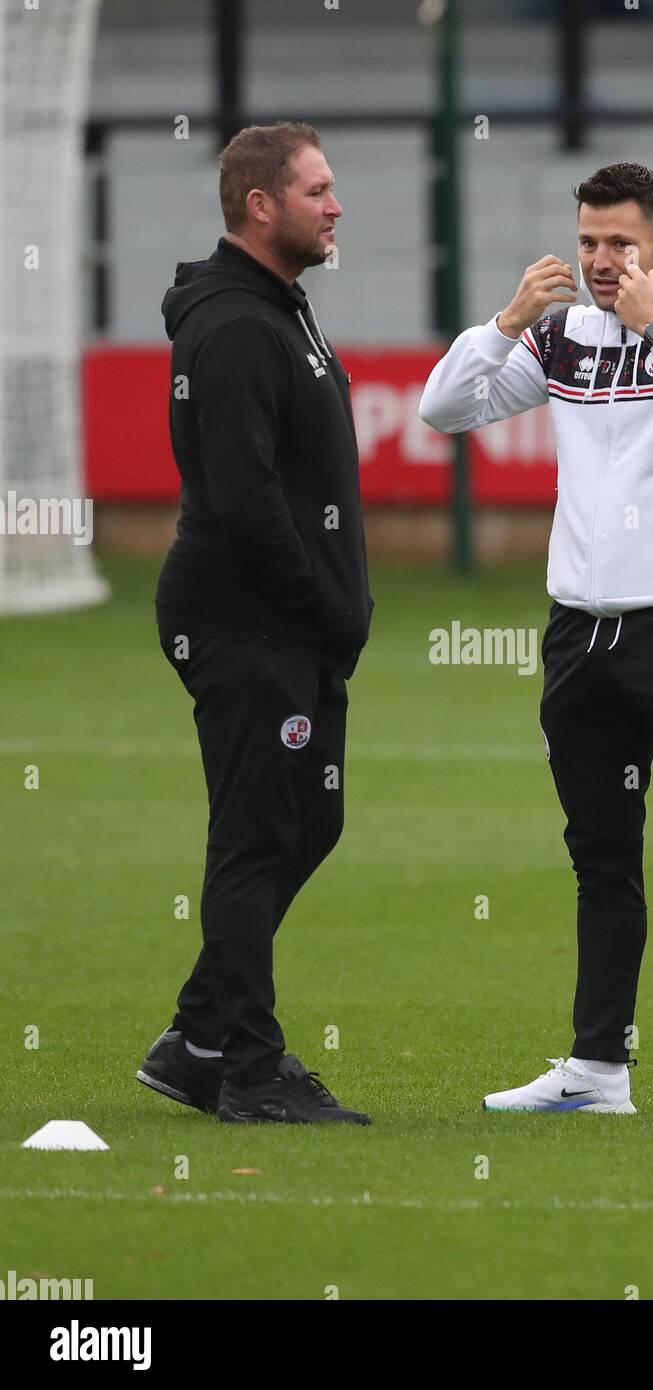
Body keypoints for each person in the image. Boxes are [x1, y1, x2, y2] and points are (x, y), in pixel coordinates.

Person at [419, 162, 653, 1120]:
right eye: (588, 242)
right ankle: (598, 1070)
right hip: (579, 630)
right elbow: (442, 409)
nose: (601, 261)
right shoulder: (563, 336)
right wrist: (502, 325)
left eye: (620, 242)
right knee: (600, 854)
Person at [136, 122, 373, 1125]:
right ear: (260, 206)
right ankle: (249, 1067)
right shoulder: (233, 327)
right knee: (254, 835)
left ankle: (198, 1037)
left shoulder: (279, 307)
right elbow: (242, 500)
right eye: (317, 190)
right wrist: (325, 607)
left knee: (306, 819)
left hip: (286, 626)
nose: (336, 205)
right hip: (247, 623)